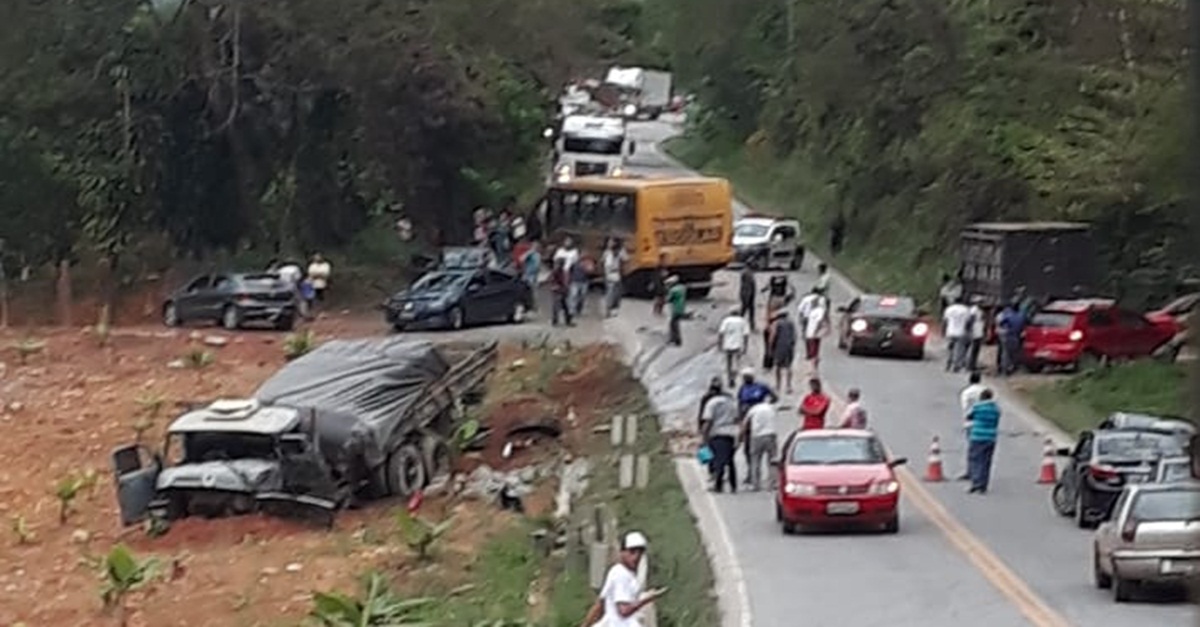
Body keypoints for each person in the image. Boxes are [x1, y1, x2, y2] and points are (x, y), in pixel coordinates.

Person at [582, 531, 666, 627]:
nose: (636, 557)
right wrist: (647, 599)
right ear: (622, 552)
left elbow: (600, 605)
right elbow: (624, 611)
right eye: (632, 552)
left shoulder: (618, 572)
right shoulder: (621, 574)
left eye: (639, 553)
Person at [700, 385, 740, 493]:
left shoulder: (712, 403)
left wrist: (704, 437)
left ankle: (718, 485)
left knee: (719, 461)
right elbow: (736, 419)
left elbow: (708, 421)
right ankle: (733, 485)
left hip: (717, 434)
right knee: (730, 460)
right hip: (731, 434)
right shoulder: (730, 402)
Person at [965, 389, 1001, 494]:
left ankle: (975, 483)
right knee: (986, 462)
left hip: (977, 436)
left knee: (975, 460)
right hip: (991, 437)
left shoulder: (977, 407)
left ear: (981, 397)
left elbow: (969, 416)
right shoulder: (996, 409)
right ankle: (983, 485)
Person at [743, 400, 779, 491]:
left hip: (756, 436)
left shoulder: (753, 409)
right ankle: (772, 483)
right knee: (772, 460)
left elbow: (745, 424)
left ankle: (755, 484)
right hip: (770, 434)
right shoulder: (770, 408)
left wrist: (740, 437)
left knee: (755, 460)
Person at [958, 371, 987, 481]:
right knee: (983, 451)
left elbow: (965, 407)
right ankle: (981, 472)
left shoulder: (966, 392)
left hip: (971, 423)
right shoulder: (985, 391)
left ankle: (971, 471)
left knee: (972, 449)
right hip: (984, 423)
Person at [798, 288, 830, 375]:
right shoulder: (822, 300)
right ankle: (814, 365)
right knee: (816, 347)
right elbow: (825, 314)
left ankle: (811, 363)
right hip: (817, 329)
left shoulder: (807, 299)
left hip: (809, 323)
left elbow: (800, 309)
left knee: (810, 343)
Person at [718, 307, 751, 387]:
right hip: (738, 345)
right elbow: (746, 334)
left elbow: (721, 333)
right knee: (736, 363)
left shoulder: (726, 321)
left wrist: (720, 344)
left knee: (728, 363)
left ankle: (729, 378)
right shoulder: (742, 321)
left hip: (727, 344)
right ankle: (734, 377)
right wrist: (745, 346)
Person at [768, 310, 798, 394]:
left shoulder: (776, 323)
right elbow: (795, 335)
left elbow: (773, 336)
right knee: (789, 366)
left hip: (779, 346)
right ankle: (788, 386)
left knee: (778, 366)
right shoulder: (791, 323)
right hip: (789, 347)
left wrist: (770, 347)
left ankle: (778, 385)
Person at [942, 297, 972, 373]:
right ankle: (957, 365)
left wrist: (943, 331)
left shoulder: (949, 309)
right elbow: (968, 322)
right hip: (961, 332)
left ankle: (948, 364)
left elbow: (945, 321)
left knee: (950, 348)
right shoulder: (965, 310)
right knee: (959, 350)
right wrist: (968, 332)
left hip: (950, 331)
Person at [995, 301, 1025, 376]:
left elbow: (1001, 323)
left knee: (1005, 354)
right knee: (1013, 354)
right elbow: (1023, 327)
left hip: (1008, 336)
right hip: (1016, 337)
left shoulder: (1008, 316)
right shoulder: (1021, 316)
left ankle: (1004, 371)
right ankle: (1011, 368)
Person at [602, 238, 628, 317]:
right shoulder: (606, 252)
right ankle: (608, 309)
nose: (610, 244)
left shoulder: (620, 252)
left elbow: (626, 259)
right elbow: (603, 262)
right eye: (609, 242)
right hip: (608, 275)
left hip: (617, 274)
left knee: (617, 294)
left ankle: (614, 309)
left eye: (612, 242)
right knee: (609, 293)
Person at [550, 258, 573, 327]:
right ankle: (556, 321)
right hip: (558, 290)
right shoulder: (556, 271)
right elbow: (551, 279)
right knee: (558, 306)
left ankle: (565, 321)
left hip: (561, 290)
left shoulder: (562, 271)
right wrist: (554, 286)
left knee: (564, 307)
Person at [665, 276, 687, 346]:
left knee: (673, 325)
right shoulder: (682, 288)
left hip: (675, 309)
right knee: (676, 324)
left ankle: (675, 340)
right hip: (681, 307)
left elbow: (668, 299)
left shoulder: (673, 290)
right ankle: (677, 340)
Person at [521, 242, 541, 312]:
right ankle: (528, 306)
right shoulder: (530, 254)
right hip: (528, 275)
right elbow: (522, 259)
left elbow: (538, 265)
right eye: (534, 246)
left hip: (534, 275)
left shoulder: (538, 255)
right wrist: (529, 252)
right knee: (527, 291)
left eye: (537, 246)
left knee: (534, 291)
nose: (536, 248)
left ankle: (534, 306)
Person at [967, 297, 986, 372]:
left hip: (979, 329)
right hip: (975, 330)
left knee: (976, 349)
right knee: (973, 348)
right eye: (980, 302)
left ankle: (973, 364)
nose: (981, 303)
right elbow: (971, 320)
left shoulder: (980, 311)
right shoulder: (973, 310)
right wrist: (971, 330)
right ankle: (970, 364)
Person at [739, 267, 757, 331]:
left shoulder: (747, 272)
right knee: (745, 309)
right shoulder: (747, 273)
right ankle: (742, 324)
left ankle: (750, 324)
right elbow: (748, 285)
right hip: (747, 294)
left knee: (749, 310)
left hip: (749, 294)